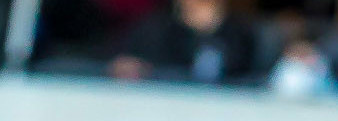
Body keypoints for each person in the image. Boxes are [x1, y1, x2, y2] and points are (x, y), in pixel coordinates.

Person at [108, 0, 258, 84]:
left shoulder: (242, 32)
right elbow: (120, 63)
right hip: (162, 114)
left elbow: (255, 78)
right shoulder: (154, 28)